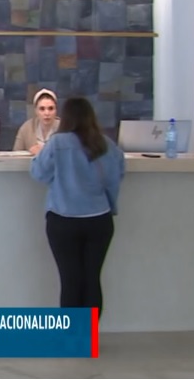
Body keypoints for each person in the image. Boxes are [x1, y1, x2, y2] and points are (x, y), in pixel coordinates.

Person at [29, 97, 125, 318]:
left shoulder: (57, 143)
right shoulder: (105, 144)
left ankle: (72, 334)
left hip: (63, 220)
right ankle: (89, 333)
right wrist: (110, 206)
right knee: (92, 279)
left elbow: (39, 173)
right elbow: (115, 177)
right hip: (99, 220)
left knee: (70, 280)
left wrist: (39, 155)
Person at [13, 88, 61, 155]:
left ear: (56, 110)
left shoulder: (64, 129)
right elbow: (16, 155)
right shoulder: (26, 129)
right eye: (42, 109)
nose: (47, 113)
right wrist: (29, 152)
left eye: (51, 108)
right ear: (36, 111)